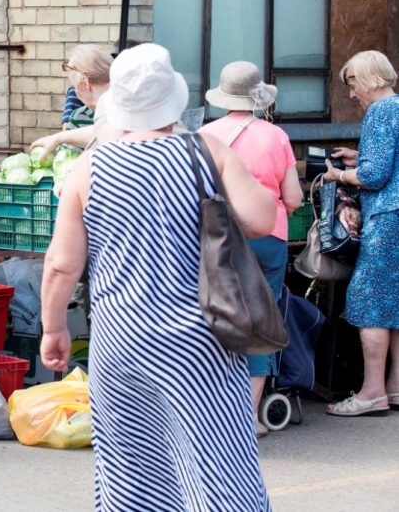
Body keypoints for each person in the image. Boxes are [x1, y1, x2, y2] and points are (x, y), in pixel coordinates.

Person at [40, 43, 274, 509]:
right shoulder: (204, 150)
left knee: (131, 468)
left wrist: (54, 328)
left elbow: (61, 263)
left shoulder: (92, 166)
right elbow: (261, 219)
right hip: (200, 339)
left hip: (120, 340)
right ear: (173, 99)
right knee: (218, 465)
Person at [199, 61, 302, 437]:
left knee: (214, 318)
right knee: (261, 322)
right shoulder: (276, 137)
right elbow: (292, 197)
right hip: (267, 238)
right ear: (258, 97)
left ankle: (212, 413)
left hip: (217, 237)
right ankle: (248, 418)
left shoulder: (204, 134)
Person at [323, 50, 399, 417]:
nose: (352, 94)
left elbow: (374, 177)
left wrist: (339, 175)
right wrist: (360, 156)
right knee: (396, 301)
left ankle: (371, 392)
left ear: (369, 78)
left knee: (369, 300)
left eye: (353, 84)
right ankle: (396, 387)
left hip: (387, 217)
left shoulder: (380, 112)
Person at [31, 45, 113, 158]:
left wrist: (59, 138)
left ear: (86, 83)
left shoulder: (81, 117)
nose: (76, 95)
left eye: (75, 88)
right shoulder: (133, 107)